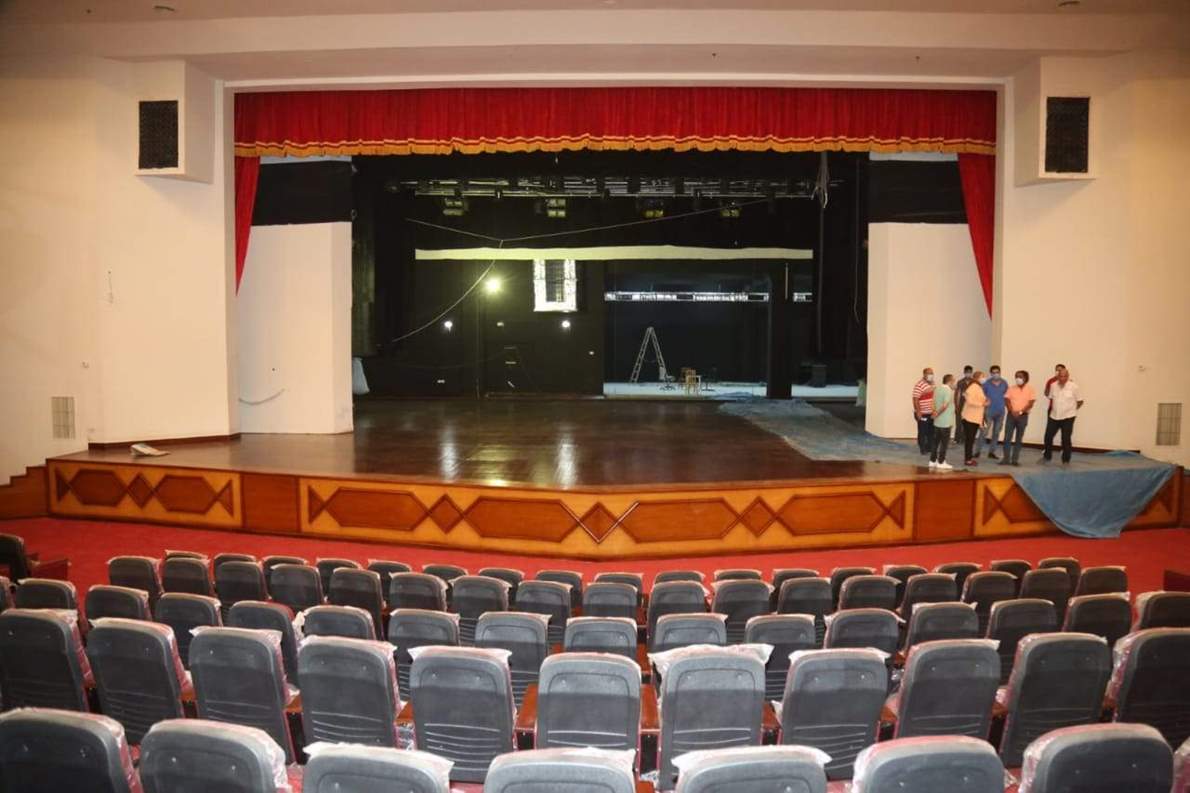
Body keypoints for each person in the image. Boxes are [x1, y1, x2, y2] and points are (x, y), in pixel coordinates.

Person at [1042, 368, 1083, 464]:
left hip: (1068, 416)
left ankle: (1066, 459)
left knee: (1065, 438)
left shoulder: (1074, 386)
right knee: (1048, 436)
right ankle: (1047, 455)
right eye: (1060, 376)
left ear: (1068, 376)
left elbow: (1080, 401)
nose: (1062, 378)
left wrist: (1073, 410)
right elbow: (1051, 397)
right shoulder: (1053, 385)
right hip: (1054, 416)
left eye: (1065, 376)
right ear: (1057, 376)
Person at [1001, 370, 1036, 466]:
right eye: (1016, 376)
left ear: (1026, 378)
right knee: (1007, 438)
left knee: (1019, 439)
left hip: (1023, 416)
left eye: (1020, 377)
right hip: (1011, 416)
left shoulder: (1030, 389)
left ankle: (1015, 460)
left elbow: (1031, 403)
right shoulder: (1011, 388)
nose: (1018, 378)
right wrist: (1011, 410)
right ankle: (1006, 459)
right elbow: (1007, 400)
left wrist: (1020, 412)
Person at [980, 365, 1009, 460]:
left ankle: (992, 452)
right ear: (991, 374)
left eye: (997, 372)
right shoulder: (986, 384)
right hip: (989, 411)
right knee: (984, 432)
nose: (996, 374)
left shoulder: (1004, 383)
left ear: (1000, 373)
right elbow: (981, 396)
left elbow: (1007, 395)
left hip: (1000, 411)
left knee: (996, 432)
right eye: (993, 373)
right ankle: (977, 451)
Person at [929, 373, 956, 471]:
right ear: (950, 381)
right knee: (944, 443)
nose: (954, 383)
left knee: (935, 442)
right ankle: (941, 462)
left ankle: (932, 461)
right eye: (953, 381)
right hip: (945, 422)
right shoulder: (948, 391)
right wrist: (937, 413)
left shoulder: (937, 389)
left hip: (937, 422)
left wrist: (934, 412)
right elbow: (945, 405)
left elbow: (932, 402)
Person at [961, 370, 988, 467]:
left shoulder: (978, 387)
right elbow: (970, 401)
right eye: (982, 376)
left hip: (974, 417)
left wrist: (984, 402)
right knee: (970, 440)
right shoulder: (973, 387)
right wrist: (983, 404)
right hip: (969, 418)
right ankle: (968, 460)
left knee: (970, 440)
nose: (984, 378)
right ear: (977, 378)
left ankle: (969, 458)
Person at [911, 367, 935, 455]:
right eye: (929, 373)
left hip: (931, 413)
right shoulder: (919, 385)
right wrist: (918, 412)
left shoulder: (933, 384)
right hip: (922, 413)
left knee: (931, 431)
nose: (931, 375)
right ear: (924, 374)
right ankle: (922, 448)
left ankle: (929, 447)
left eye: (932, 373)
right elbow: (915, 399)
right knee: (922, 431)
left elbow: (934, 397)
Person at [953, 365, 974, 442]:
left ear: (972, 373)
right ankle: (957, 438)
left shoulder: (974, 382)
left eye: (970, 372)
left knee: (969, 424)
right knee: (959, 423)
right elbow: (957, 395)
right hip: (961, 406)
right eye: (967, 372)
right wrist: (956, 406)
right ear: (964, 372)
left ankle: (966, 439)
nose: (968, 373)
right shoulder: (960, 382)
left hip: (971, 407)